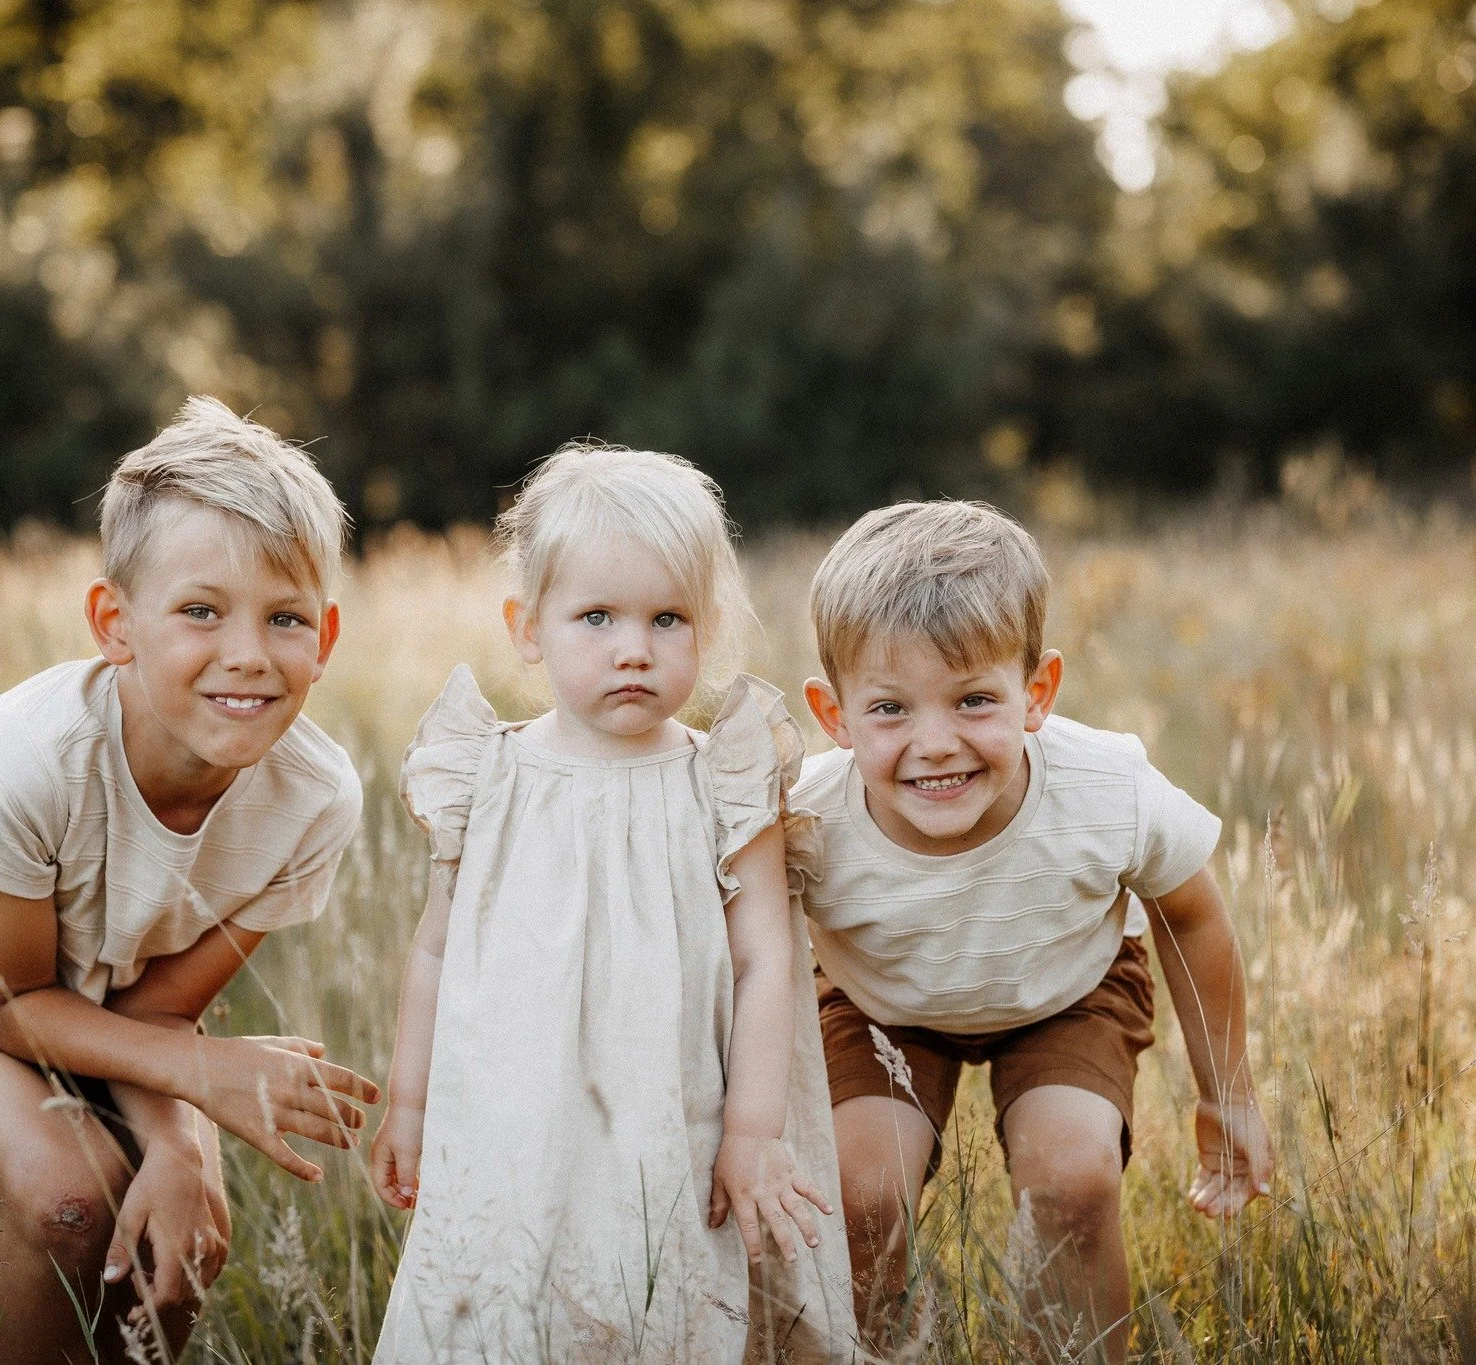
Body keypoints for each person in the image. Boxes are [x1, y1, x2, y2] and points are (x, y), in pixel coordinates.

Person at [0, 397, 381, 1363]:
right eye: (200, 610)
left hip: (107, 1009)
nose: (246, 653)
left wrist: (180, 1145)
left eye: (283, 618)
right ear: (117, 622)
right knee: (75, 1199)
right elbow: (13, 1007)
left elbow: (158, 1016)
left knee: (181, 1236)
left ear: (322, 638)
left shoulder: (314, 801)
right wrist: (207, 1080)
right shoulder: (28, 763)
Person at [367, 442, 857, 1361]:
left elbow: (764, 959)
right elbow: (436, 948)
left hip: (673, 1120)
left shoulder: (725, 780)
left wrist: (752, 1129)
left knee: (658, 1296)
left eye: (667, 618)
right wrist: (411, 1101)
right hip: (513, 1119)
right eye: (596, 616)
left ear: (704, 632)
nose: (634, 648)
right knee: (509, 1301)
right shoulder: (489, 773)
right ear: (528, 628)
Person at [796, 501, 1273, 1361]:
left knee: (1073, 1182)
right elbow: (739, 949)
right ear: (833, 714)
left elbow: (1192, 913)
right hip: (877, 999)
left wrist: (1226, 1093)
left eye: (975, 698)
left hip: (1069, 987)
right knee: (856, 1195)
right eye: (890, 709)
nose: (935, 744)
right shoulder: (807, 817)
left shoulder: (1106, 790)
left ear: (1037, 692)